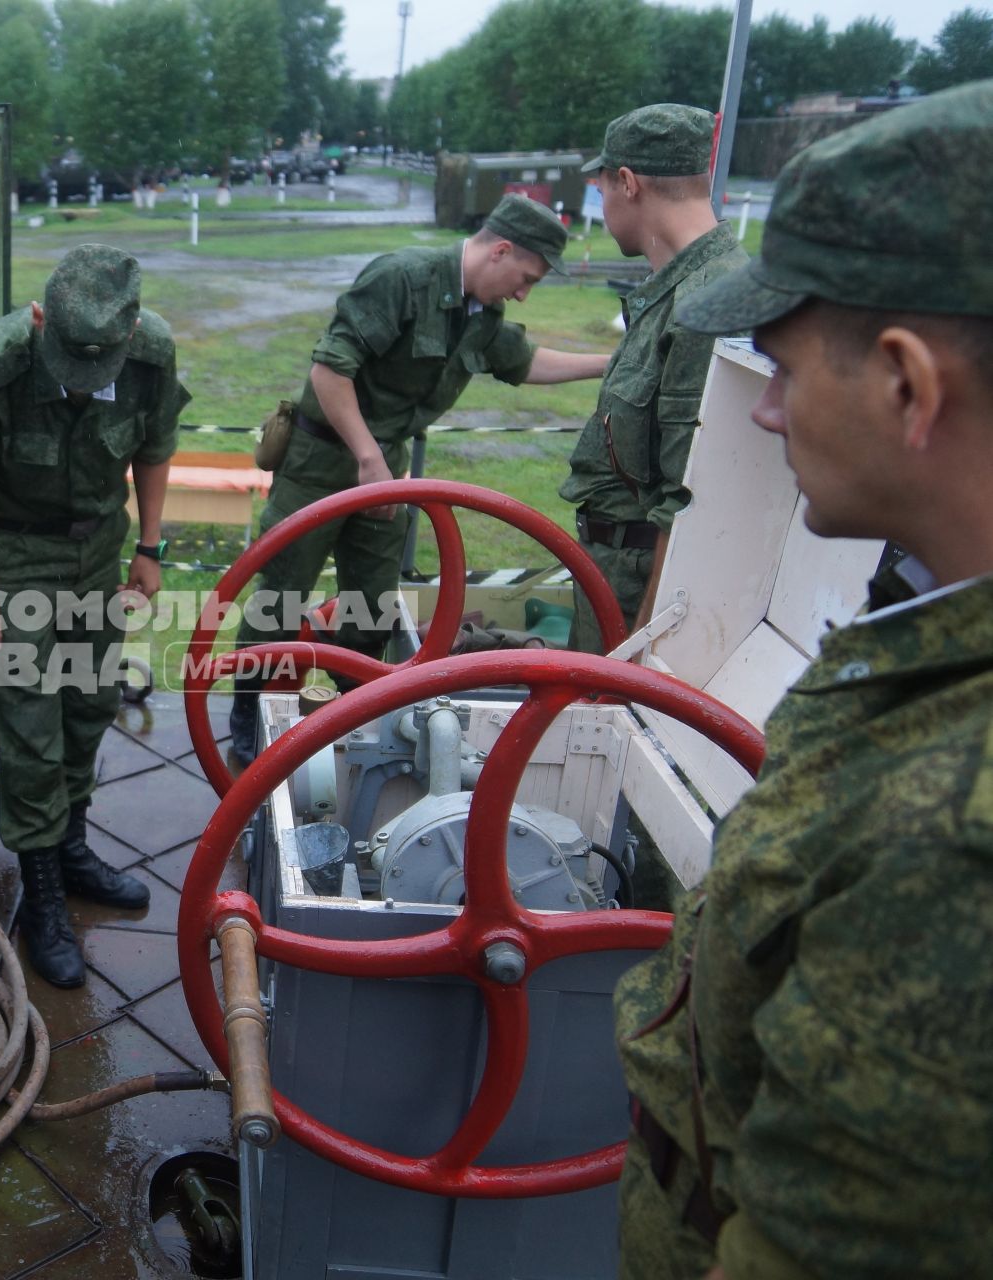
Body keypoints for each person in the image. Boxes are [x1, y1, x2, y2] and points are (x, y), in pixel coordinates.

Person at [614, 81, 993, 1279]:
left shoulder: (949, 839)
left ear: (906, 384)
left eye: (779, 368)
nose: (764, 411)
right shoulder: (924, 640)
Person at [229, 194, 610, 760]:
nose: (524, 293)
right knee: (282, 594)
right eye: (525, 277)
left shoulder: (480, 313)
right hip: (324, 460)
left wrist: (611, 363)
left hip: (382, 469)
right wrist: (367, 458)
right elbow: (330, 370)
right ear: (500, 249)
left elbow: (524, 361)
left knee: (374, 601)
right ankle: (245, 708)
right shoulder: (402, 280)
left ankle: (351, 708)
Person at [0, 243, 185, 988]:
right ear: (39, 318)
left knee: (88, 705)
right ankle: (41, 890)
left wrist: (149, 546)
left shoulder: (149, 353)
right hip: (13, 559)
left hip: (98, 553)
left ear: (131, 329)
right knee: (31, 726)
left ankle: (71, 847)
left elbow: (155, 447)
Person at [562, 104, 750, 653]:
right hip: (616, 578)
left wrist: (643, 647)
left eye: (601, 191)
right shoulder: (682, 289)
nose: (604, 205)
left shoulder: (707, 304)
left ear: (627, 182)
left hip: (640, 598)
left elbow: (689, 497)